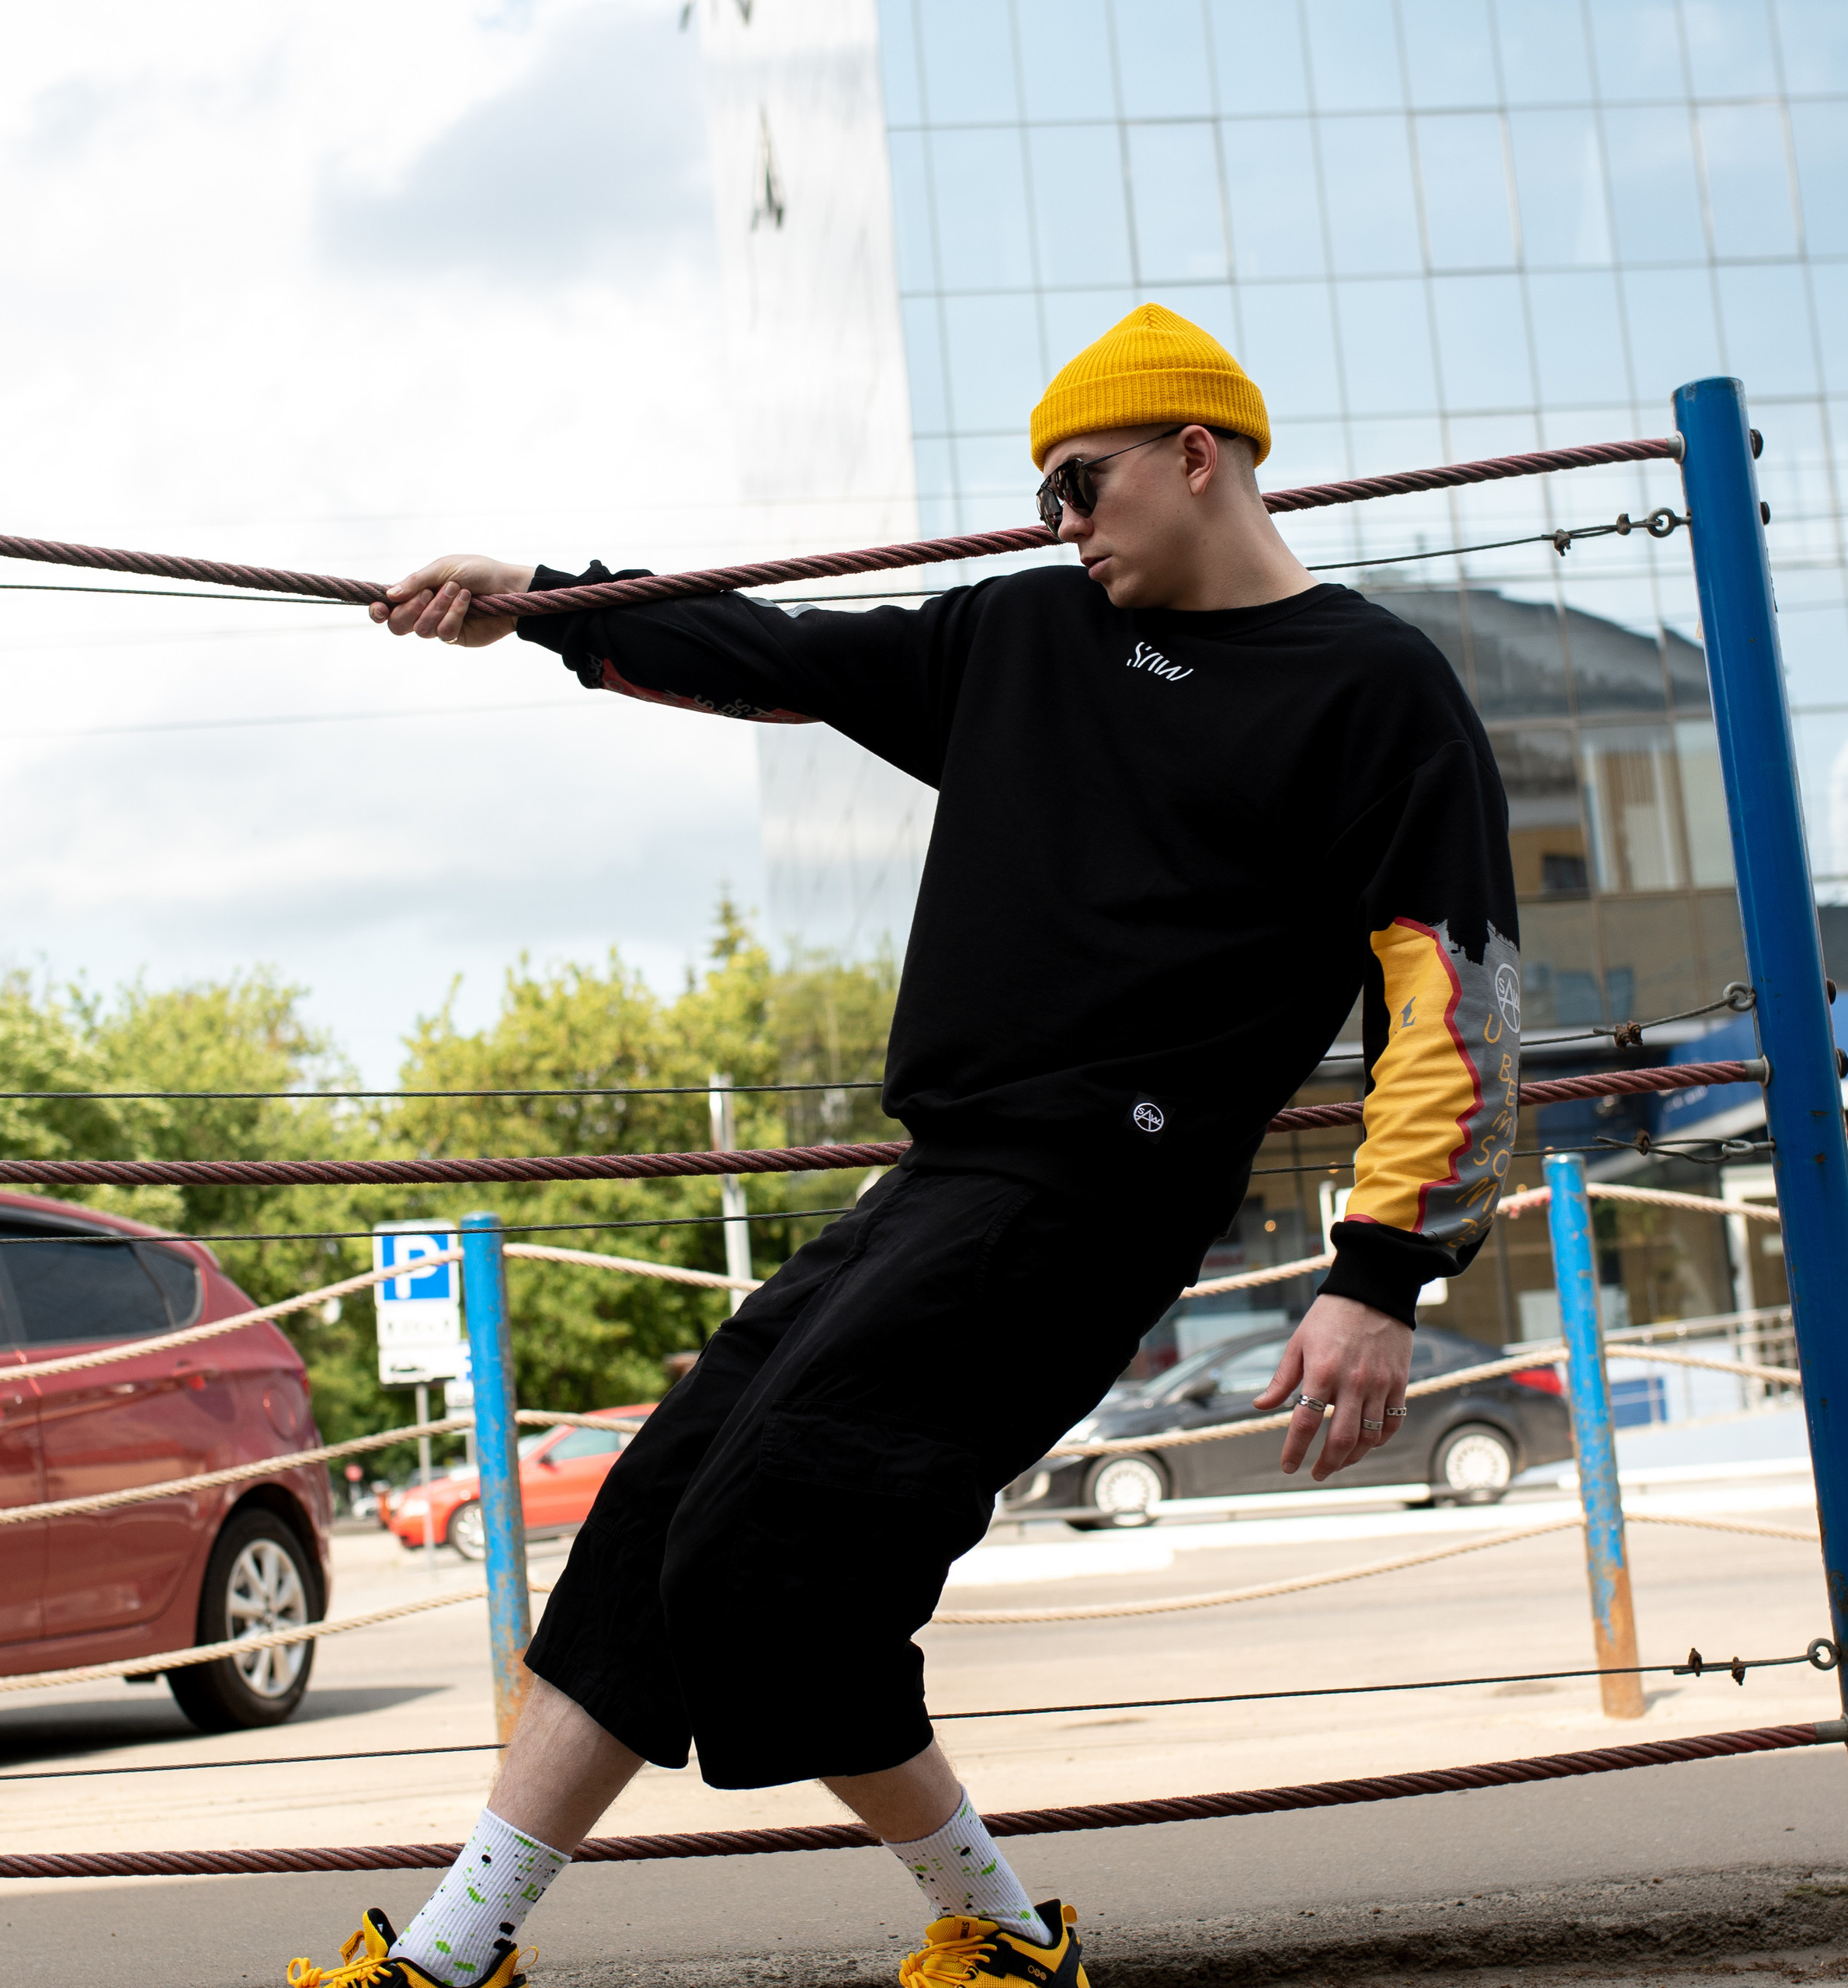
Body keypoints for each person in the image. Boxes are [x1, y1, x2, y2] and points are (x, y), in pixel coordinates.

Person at [287, 304, 1519, 1988]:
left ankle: (1001, 1933)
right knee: (653, 1516)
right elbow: (775, 652)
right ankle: (458, 1948)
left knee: (772, 1554)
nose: (1061, 525)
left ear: (1193, 452)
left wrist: (1380, 1271)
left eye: (1077, 485)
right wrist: (541, 605)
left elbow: (1447, 1004)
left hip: (1089, 1207)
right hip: (937, 1177)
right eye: (1036, 502)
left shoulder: (1374, 689)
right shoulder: (1023, 638)